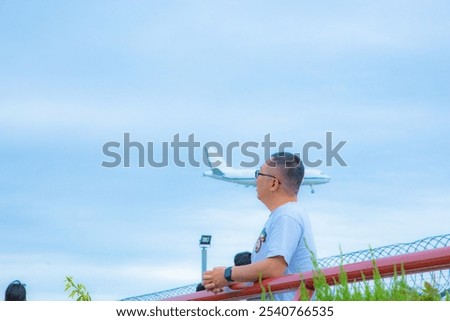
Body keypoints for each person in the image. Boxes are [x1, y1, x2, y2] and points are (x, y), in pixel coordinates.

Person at [202, 152, 316, 300]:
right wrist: (225, 281)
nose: (256, 180)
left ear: (273, 183)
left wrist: (228, 273)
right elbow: (268, 275)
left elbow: (274, 267)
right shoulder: (284, 215)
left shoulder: (287, 215)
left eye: (259, 174)